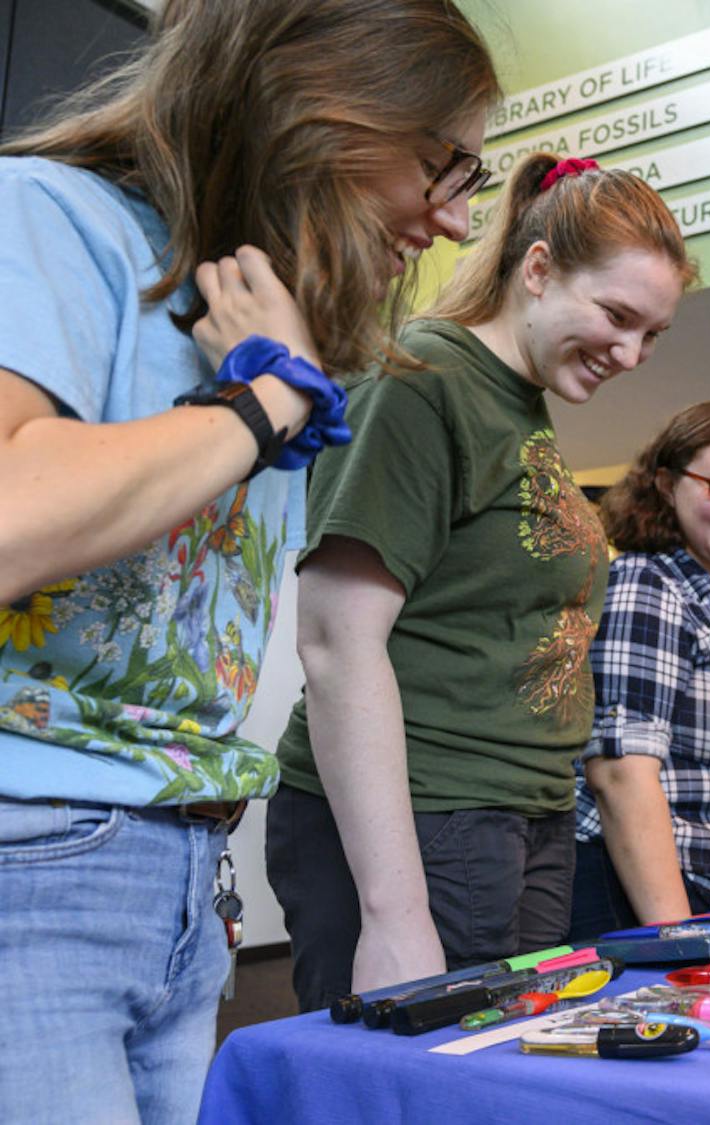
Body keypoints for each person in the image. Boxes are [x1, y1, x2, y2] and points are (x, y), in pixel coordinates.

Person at [0, 0, 499, 1117]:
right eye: (441, 164)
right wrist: (265, 401)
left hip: (174, 879)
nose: (455, 222)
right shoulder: (47, 217)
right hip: (32, 859)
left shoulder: (249, 317)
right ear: (318, 105)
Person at [267, 153, 694, 1011]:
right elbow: (336, 642)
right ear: (536, 269)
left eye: (651, 333)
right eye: (615, 315)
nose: (631, 352)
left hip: (520, 813)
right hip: (431, 812)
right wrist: (394, 912)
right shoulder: (425, 379)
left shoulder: (517, 403)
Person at [568, 402, 710, 938]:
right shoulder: (644, 585)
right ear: (667, 484)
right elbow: (620, 772)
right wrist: (680, 943)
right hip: (658, 901)